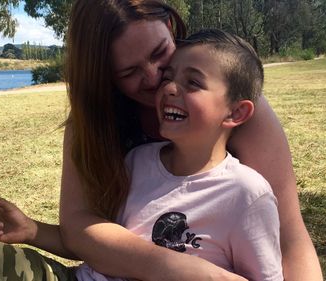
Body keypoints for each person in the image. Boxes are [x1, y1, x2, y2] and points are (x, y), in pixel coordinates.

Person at [0, 1, 322, 281]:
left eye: (160, 54)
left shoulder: (236, 109)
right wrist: (178, 269)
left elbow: (289, 235)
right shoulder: (103, 131)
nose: (157, 81)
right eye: (130, 73)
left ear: (172, 25)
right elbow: (82, 228)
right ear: (103, 77)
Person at [76, 28, 283, 281]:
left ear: (235, 113)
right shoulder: (136, 161)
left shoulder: (247, 194)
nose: (170, 88)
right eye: (168, 77)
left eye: (193, 82)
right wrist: (33, 231)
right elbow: (100, 242)